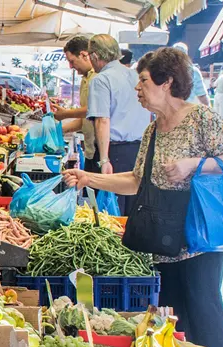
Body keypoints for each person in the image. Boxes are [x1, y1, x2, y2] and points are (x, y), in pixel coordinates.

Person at [62, 47, 223, 347]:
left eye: (144, 81)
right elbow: (135, 181)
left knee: (205, 306)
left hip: (198, 236)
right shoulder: (152, 130)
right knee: (175, 316)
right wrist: (89, 178)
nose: (138, 89)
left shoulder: (201, 120)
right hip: (163, 238)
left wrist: (194, 164)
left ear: (168, 82)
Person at [85, 34, 151, 213]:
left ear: (95, 56)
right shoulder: (135, 75)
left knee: (111, 211)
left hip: (115, 152)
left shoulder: (101, 80)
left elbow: (102, 120)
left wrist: (104, 159)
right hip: (139, 150)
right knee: (133, 207)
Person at [54, 36, 98, 171]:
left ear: (84, 55)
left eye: (72, 61)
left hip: (102, 150)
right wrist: (59, 131)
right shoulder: (85, 79)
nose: (71, 66)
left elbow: (94, 110)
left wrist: (66, 114)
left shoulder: (98, 78)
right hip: (91, 150)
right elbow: (84, 119)